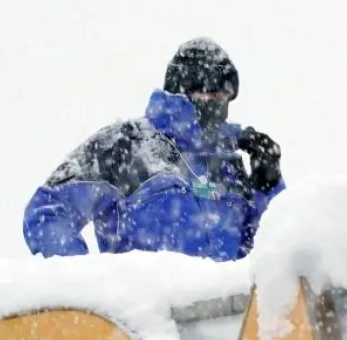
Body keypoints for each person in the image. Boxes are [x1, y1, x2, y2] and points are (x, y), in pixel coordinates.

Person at [23, 38, 285, 261]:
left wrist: (268, 186)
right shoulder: (126, 144)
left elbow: (266, 253)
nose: (220, 106)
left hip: (226, 317)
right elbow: (48, 210)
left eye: (225, 98)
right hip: (150, 315)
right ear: (184, 91)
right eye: (212, 95)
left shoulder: (228, 164)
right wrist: (88, 291)